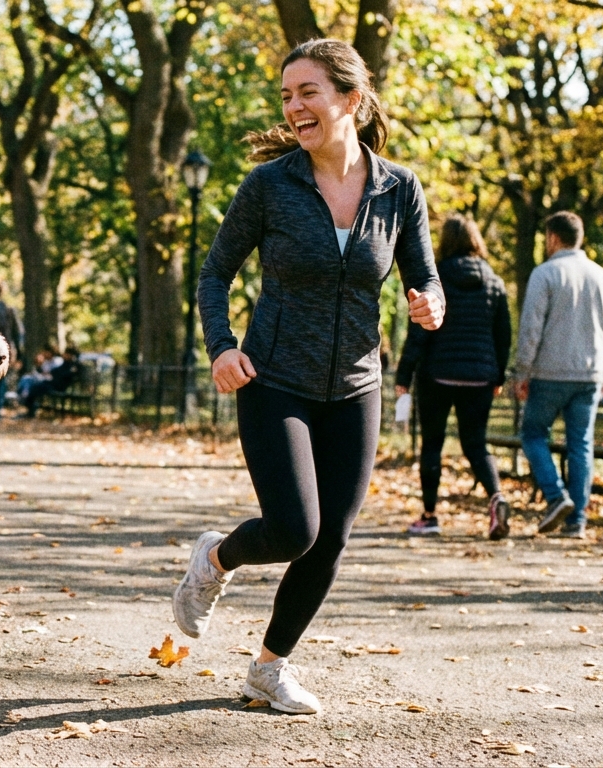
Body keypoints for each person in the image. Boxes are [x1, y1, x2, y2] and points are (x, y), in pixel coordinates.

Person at [176, 39, 444, 715]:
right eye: (288, 95)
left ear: (349, 100)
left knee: (333, 538)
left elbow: (423, 272)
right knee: (295, 529)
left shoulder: (398, 188)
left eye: (308, 93)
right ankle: (215, 560)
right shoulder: (269, 186)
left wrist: (431, 299)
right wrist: (222, 346)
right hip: (275, 378)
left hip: (356, 384)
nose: (294, 107)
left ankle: (268, 669)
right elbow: (215, 272)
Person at [395, 215, 512, 538]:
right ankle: (497, 497)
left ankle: (430, 516)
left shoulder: (437, 279)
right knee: (475, 442)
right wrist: (498, 375)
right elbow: (503, 335)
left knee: (432, 444)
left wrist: (404, 374)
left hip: (438, 374)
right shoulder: (493, 280)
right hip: (480, 377)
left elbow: (419, 333)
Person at [512, 211, 603, 539]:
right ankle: (578, 521)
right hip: (589, 375)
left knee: (532, 434)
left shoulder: (545, 274)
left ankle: (557, 497)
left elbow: (531, 328)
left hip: (550, 372)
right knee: (580, 445)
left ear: (554, 238)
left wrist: (522, 372)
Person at [0, 285, 24, 423]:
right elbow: (17, 333)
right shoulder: (9, 310)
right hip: (4, 349)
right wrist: (19, 353)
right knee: (0, 382)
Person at [20, 346, 80, 418]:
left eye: (66, 354)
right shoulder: (65, 363)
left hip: (59, 386)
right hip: (53, 383)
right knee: (33, 385)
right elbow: (54, 372)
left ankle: (31, 411)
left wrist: (55, 375)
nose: (64, 355)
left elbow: (65, 375)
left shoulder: (72, 365)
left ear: (70, 355)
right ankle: (30, 409)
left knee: (36, 388)